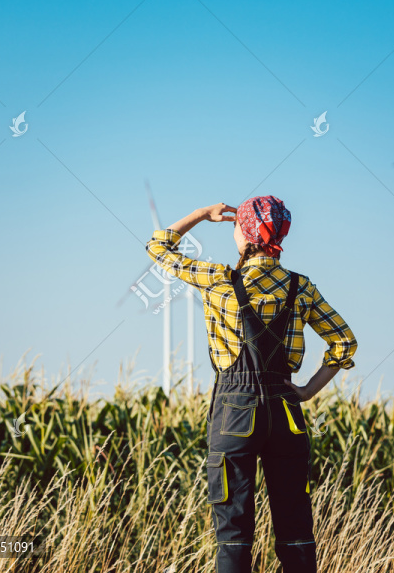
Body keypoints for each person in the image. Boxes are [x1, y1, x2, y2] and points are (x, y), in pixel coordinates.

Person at [145, 196, 357, 573]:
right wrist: (307, 391)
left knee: (234, 535)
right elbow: (344, 341)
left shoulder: (218, 279)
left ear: (244, 233)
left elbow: (158, 247)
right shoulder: (300, 287)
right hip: (286, 412)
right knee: (295, 531)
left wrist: (200, 214)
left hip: (233, 412)